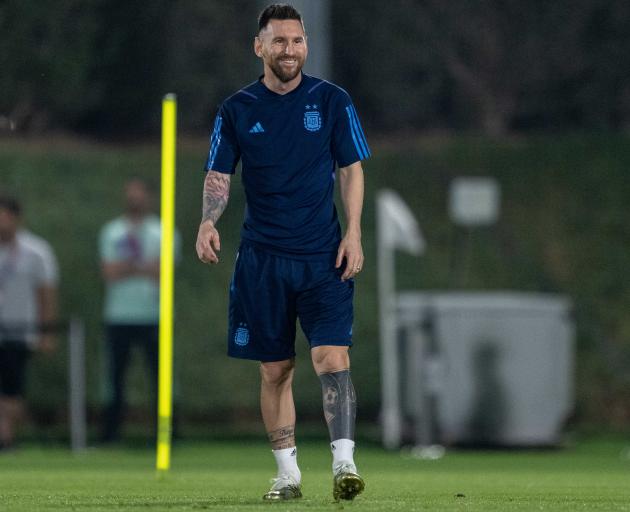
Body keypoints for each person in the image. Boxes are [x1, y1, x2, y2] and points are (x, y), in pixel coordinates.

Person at [196, 4, 370, 502]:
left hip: (322, 257)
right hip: (262, 258)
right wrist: (208, 220)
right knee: (275, 370)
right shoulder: (237, 109)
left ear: (306, 45)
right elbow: (219, 175)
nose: (288, 50)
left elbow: (351, 168)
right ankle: (287, 475)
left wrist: (353, 232)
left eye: (296, 41)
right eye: (279, 41)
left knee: (331, 357)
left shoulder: (332, 100)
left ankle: (344, 465)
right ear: (260, 46)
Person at [99, 178, 164, 443]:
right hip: (118, 316)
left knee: (160, 377)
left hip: (154, 315)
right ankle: (110, 434)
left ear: (149, 197)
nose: (135, 199)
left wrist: (127, 267)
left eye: (140, 193)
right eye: (131, 194)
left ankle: (165, 434)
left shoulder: (163, 231)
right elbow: (109, 272)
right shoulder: (112, 231)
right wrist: (143, 267)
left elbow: (163, 271)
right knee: (114, 378)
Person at [0, 194, 58, 451]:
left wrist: (46, 332)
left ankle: (7, 438)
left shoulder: (36, 251)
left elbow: (46, 292)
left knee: (13, 390)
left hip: (20, 330)